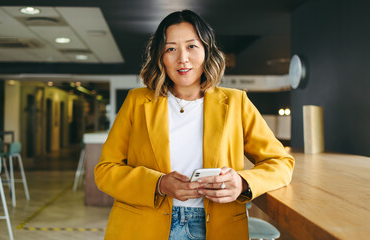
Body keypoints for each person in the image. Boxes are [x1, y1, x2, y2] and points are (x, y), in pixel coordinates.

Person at [95, 9, 295, 240]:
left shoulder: (236, 102)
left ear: (206, 51)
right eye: (171, 48)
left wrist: (243, 182)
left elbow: (281, 163)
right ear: (160, 56)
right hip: (143, 226)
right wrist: (158, 184)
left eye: (192, 46)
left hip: (217, 226)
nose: (183, 58)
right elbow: (105, 170)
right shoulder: (137, 101)